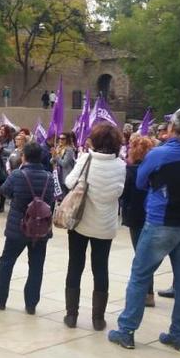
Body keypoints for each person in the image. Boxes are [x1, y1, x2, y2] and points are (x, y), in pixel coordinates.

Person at [109, 110, 180, 352]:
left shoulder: (160, 153)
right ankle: (179, 335)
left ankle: (127, 331)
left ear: (172, 128)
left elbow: (141, 181)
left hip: (161, 221)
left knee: (140, 276)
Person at [61, 124, 126, 331]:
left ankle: (71, 315)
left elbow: (69, 182)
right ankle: (98, 319)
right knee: (100, 269)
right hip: (105, 226)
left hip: (80, 222)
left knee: (75, 265)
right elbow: (119, 192)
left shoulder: (86, 160)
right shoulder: (121, 166)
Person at [0, 141, 55, 314]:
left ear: (24, 156)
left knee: (7, 262)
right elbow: (52, 199)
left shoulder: (18, 175)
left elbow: (3, 190)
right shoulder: (49, 177)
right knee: (36, 265)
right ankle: (31, 304)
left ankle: (0, 299)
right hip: (41, 227)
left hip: (18, 226)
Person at [119, 135, 157, 307]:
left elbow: (123, 195)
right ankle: (148, 291)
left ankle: (146, 293)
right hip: (152, 215)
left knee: (141, 255)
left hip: (135, 216)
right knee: (146, 254)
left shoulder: (131, 171)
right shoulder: (154, 169)